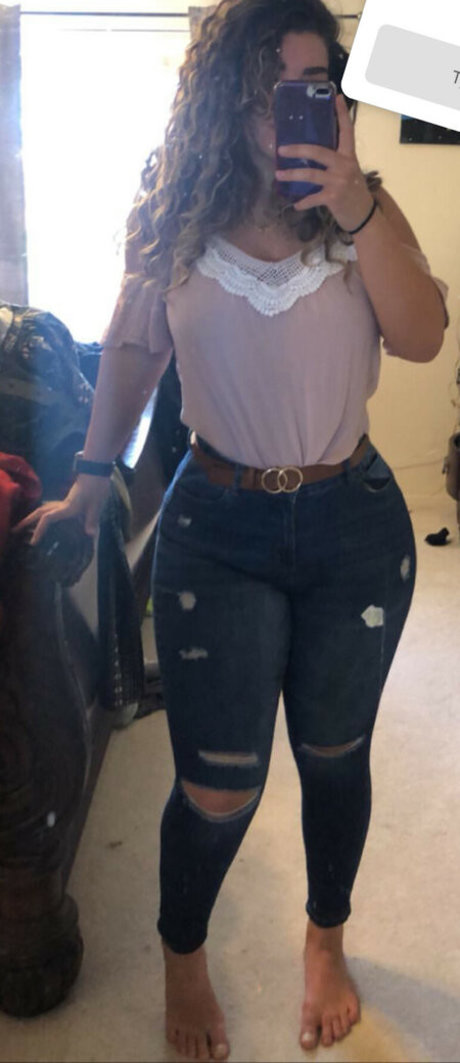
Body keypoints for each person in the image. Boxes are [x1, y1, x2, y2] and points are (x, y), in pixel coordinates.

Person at [16, 1, 449, 1059]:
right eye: (263, 91)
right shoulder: (172, 217)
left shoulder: (364, 210)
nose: (283, 112)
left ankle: (323, 939)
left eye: (307, 87)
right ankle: (185, 953)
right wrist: (87, 482)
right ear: (222, 98)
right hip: (217, 526)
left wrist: (357, 203)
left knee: (336, 755)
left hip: (354, 525)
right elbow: (132, 352)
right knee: (217, 784)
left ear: (333, 98)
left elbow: (423, 336)